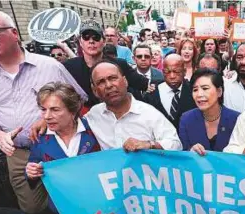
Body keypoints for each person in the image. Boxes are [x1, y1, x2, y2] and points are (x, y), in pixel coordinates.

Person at [0, 9, 88, 214]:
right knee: (31, 204)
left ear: (14, 33)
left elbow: (78, 99)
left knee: (72, 198)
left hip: (59, 146)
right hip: (19, 151)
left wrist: (46, 118)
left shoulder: (49, 66)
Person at [31, 60, 182, 152]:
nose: (109, 85)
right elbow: (69, 120)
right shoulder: (92, 116)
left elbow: (175, 144)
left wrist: (148, 145)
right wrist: (46, 120)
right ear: (95, 90)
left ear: (125, 81)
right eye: (101, 82)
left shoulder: (148, 113)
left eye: (113, 78)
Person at [25, 82, 100, 214]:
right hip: (61, 211)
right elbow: (32, 165)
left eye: (55, 110)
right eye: (43, 110)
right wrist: (31, 173)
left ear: (73, 111)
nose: (47, 116)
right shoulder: (39, 139)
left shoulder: (95, 130)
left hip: (96, 207)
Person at [63, 20, 148, 108]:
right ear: (80, 42)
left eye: (96, 37)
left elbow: (146, 85)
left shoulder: (119, 64)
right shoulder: (69, 67)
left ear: (103, 42)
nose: (91, 41)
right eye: (86, 37)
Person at [179, 68, 240, 154]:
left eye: (205, 88)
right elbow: (182, 153)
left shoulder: (236, 119)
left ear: (219, 91)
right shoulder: (186, 119)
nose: (199, 94)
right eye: (195, 90)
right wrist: (190, 151)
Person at [143, 54, 196, 130]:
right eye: (167, 72)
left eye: (176, 71)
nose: (172, 76)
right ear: (162, 72)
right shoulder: (152, 93)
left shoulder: (193, 92)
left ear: (184, 71)